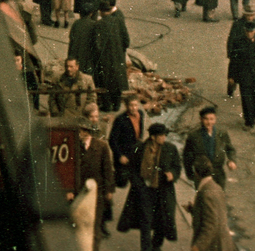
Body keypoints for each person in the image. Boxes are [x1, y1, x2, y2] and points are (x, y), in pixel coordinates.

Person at [117, 122, 182, 251]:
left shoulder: (170, 149)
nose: (164, 138)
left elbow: (177, 167)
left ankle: (156, 245)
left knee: (162, 220)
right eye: (161, 135)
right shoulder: (140, 148)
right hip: (144, 190)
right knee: (145, 221)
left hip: (163, 190)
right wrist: (138, 185)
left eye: (165, 135)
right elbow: (132, 169)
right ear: (153, 137)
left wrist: (172, 175)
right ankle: (146, 249)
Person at [72, 116, 116, 244]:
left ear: (86, 132)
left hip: (97, 193)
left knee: (94, 229)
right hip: (78, 192)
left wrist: (109, 190)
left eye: (80, 131)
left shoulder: (101, 146)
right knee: (78, 228)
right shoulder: (73, 145)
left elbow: (108, 169)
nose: (78, 133)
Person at [182, 106, 238, 186]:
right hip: (202, 175)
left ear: (215, 119)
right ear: (201, 119)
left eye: (212, 119)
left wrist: (232, 160)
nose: (209, 122)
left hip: (218, 174)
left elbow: (230, 149)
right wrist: (190, 175)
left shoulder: (222, 133)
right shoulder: (193, 136)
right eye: (206, 119)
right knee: (204, 197)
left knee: (219, 195)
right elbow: (187, 157)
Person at [187, 157, 234, 251]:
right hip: (222, 242)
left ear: (197, 173)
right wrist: (193, 209)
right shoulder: (216, 187)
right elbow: (215, 213)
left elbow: (211, 224)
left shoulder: (206, 193)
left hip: (214, 245)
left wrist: (198, 246)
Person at [95, 0, 131, 112]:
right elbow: (126, 39)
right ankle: (116, 104)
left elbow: (97, 45)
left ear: (101, 11)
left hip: (105, 58)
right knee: (117, 80)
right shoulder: (118, 21)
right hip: (118, 56)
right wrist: (121, 50)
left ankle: (107, 105)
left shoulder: (99, 24)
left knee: (105, 81)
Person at [110, 94, 146, 189]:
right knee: (121, 183)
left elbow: (140, 132)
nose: (134, 108)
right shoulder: (120, 119)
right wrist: (119, 156)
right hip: (124, 152)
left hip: (135, 151)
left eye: (136, 105)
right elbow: (112, 139)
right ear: (126, 106)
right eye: (131, 105)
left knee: (137, 180)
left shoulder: (141, 114)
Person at [224, 5, 255, 99]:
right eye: (248, 15)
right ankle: (231, 87)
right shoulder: (237, 24)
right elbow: (231, 39)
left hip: (249, 53)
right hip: (237, 53)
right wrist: (230, 52)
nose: (250, 18)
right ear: (244, 15)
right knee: (234, 74)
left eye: (252, 15)